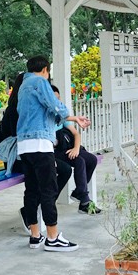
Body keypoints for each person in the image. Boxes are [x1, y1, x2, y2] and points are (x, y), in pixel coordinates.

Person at [16, 56, 87, 252]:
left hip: (25, 146)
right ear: (46, 69)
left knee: (31, 191)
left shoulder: (23, 86)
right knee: (48, 190)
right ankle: (53, 237)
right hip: (40, 144)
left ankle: (35, 235)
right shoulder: (40, 81)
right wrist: (73, 117)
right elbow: (54, 104)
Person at [0, 72, 73, 232]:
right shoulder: (15, 109)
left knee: (63, 170)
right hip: (18, 159)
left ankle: (39, 208)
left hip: (32, 154)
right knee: (44, 177)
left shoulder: (30, 106)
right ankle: (35, 214)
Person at [50, 84, 101, 215]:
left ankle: (79, 192)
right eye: (54, 99)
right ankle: (84, 200)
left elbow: (76, 133)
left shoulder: (61, 114)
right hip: (54, 152)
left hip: (67, 147)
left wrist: (76, 148)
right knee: (79, 161)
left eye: (59, 98)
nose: (58, 102)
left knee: (92, 159)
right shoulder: (45, 116)